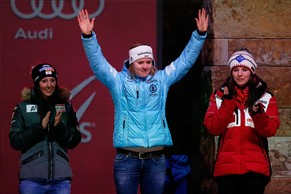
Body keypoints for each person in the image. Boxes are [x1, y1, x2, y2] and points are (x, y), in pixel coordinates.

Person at [77, 8, 208, 194]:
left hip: (156, 159)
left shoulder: (161, 80)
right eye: (141, 62)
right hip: (127, 158)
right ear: (131, 63)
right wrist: (88, 37)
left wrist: (200, 35)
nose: (146, 66)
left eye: (149, 61)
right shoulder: (118, 82)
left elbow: (184, 62)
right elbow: (98, 64)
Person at [203, 48, 281, 194]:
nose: (239, 74)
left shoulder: (266, 97)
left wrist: (259, 115)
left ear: (251, 71)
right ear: (231, 72)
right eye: (235, 70)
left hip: (255, 168)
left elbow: (270, 130)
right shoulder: (219, 96)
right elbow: (213, 128)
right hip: (226, 168)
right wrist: (227, 104)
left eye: (244, 69)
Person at [9, 63, 81, 194]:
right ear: (37, 83)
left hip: (61, 180)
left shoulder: (66, 107)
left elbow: (74, 140)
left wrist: (59, 127)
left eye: (52, 80)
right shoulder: (22, 108)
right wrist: (39, 128)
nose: (49, 85)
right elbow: (15, 141)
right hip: (31, 180)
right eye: (44, 81)